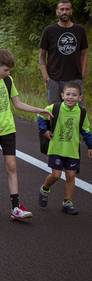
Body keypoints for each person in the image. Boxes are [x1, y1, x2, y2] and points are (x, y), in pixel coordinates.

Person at [0, 49, 52, 220]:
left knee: (11, 165)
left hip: (9, 129)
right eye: (6, 70)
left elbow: (18, 104)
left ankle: (15, 206)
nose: (8, 73)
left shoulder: (9, 80)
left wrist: (39, 110)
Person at [37, 82, 92, 215]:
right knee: (56, 175)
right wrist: (44, 130)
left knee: (71, 175)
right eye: (68, 94)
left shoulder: (82, 113)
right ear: (62, 95)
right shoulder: (54, 108)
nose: (70, 97)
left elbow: (86, 130)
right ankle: (44, 189)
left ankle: (67, 202)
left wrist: (90, 145)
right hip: (56, 148)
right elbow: (40, 116)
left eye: (74, 95)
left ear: (80, 97)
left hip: (72, 150)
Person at [39, 0, 88, 104]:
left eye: (67, 9)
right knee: (54, 112)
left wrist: (82, 75)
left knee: (77, 112)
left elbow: (84, 54)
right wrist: (46, 78)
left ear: (71, 11)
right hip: (54, 80)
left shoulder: (80, 30)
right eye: (62, 9)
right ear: (57, 12)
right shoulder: (49, 30)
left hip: (75, 79)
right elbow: (42, 56)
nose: (64, 12)